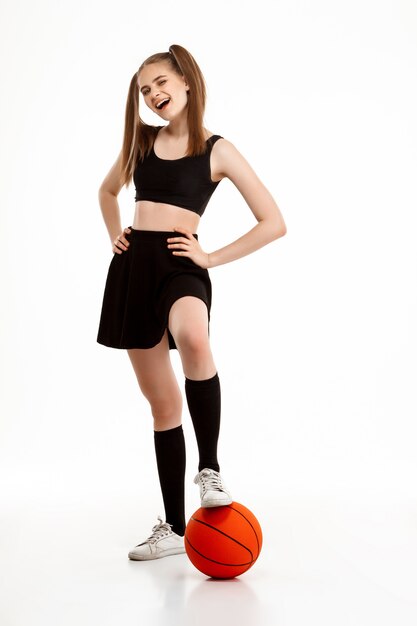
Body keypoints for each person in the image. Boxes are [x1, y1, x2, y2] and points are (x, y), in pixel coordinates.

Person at [96, 44, 287, 561]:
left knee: (195, 338)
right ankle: (174, 530)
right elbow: (107, 191)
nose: (154, 95)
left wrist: (210, 257)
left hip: (182, 265)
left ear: (185, 81)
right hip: (135, 271)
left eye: (160, 82)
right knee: (161, 405)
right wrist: (117, 235)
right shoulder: (142, 142)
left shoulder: (217, 148)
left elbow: (274, 222)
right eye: (144, 90)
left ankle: (210, 470)